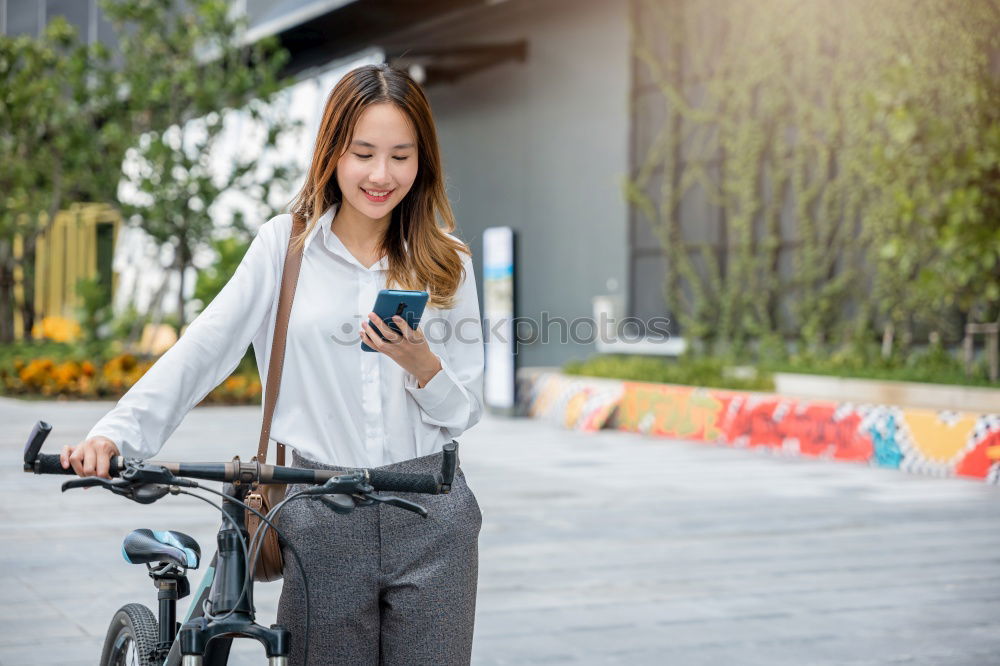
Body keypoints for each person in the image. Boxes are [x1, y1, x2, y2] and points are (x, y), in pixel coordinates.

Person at [60, 63, 485, 665]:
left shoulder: (449, 262)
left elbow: (464, 407)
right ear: (332, 151)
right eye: (363, 152)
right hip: (320, 510)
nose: (381, 175)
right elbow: (203, 349)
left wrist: (421, 364)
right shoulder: (285, 249)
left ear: (424, 161)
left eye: (401, 155)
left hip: (432, 511)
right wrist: (115, 435)